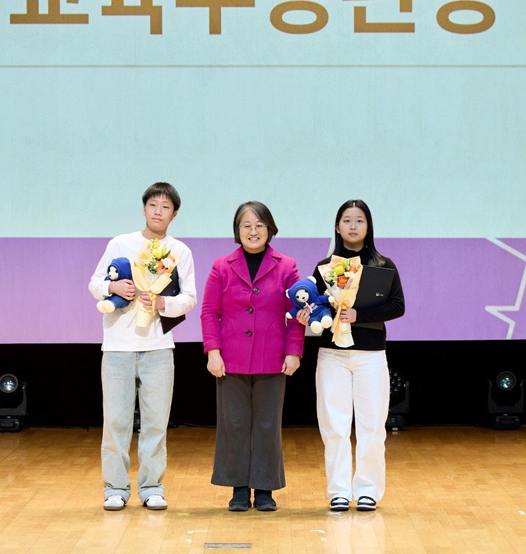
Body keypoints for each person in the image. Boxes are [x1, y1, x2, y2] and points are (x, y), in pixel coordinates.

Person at [88, 182, 197, 512]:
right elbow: (94, 283)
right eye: (153, 205)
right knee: (116, 422)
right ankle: (115, 488)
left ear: (174, 215)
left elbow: (189, 298)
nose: (158, 212)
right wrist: (113, 286)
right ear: (144, 209)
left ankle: (152, 487)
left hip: (159, 347)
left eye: (165, 207)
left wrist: (163, 302)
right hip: (118, 347)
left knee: (155, 423)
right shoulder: (120, 243)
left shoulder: (179, 251)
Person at [300, 200, 405, 513]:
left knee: (372, 424)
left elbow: (398, 306)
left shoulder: (383, 265)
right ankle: (339, 491)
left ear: (368, 226)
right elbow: (313, 303)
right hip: (332, 354)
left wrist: (359, 314)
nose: (353, 226)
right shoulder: (325, 266)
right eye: (347, 220)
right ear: (337, 226)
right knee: (334, 425)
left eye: (359, 220)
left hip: (371, 355)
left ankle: (368, 490)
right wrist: (306, 314)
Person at [200, 201, 305, 512]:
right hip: (230, 359)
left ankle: (265, 490)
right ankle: (239, 489)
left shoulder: (287, 266)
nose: (253, 231)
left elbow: (297, 313)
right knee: (233, 424)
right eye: (246, 225)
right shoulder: (222, 265)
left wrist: (294, 351)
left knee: (267, 424)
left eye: (259, 225)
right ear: (238, 230)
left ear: (270, 229)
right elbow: (209, 312)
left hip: (272, 358)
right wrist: (213, 351)